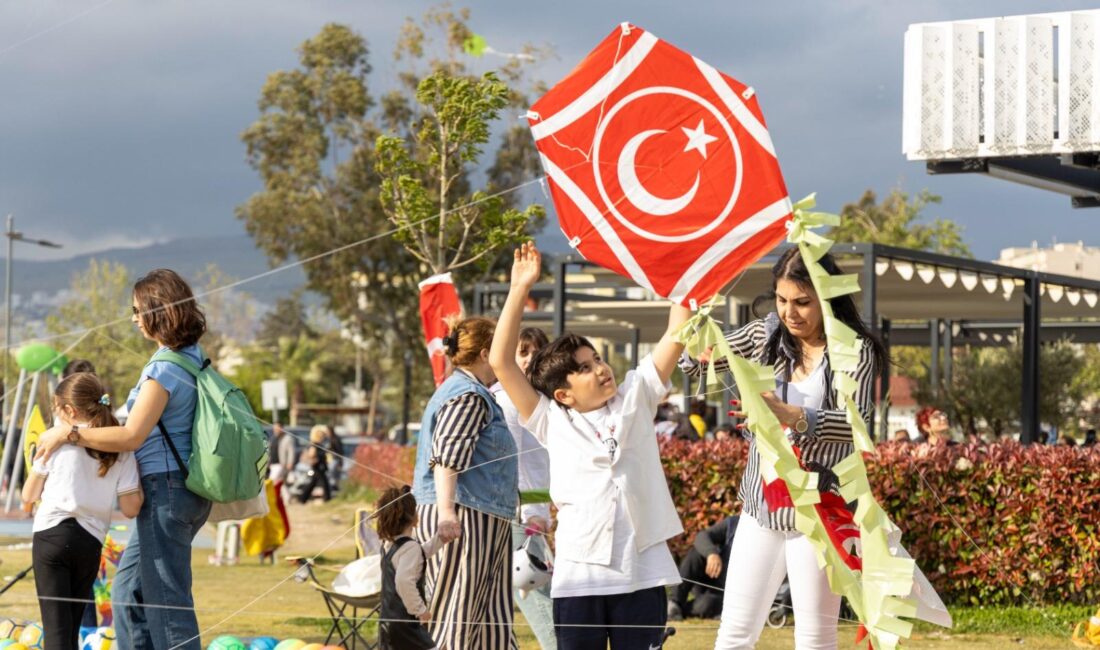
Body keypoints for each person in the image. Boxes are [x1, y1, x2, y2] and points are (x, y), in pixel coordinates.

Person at [682, 247, 886, 650]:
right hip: (761, 508)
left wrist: (795, 415)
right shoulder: (767, 332)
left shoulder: (854, 350)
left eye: (802, 302)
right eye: (781, 300)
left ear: (826, 298)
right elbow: (694, 366)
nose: (790, 312)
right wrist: (698, 344)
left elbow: (856, 425)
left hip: (820, 512)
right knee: (734, 634)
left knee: (815, 639)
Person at [490, 242, 689, 650]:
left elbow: (676, 331)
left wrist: (685, 270)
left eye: (597, 358)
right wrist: (519, 289)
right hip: (579, 579)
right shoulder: (551, 419)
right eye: (584, 368)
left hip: (642, 574)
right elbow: (502, 363)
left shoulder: (636, 394)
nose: (600, 368)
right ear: (563, 394)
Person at [36, 268, 213, 649]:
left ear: (156, 311)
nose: (133, 318)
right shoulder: (192, 358)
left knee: (167, 604)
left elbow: (132, 435)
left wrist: (68, 432)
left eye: (136, 310)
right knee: (128, 593)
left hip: (167, 489)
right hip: (179, 490)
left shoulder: (164, 368)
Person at [411, 316, 518, 650]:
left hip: (482, 517)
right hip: (464, 518)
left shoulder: (472, 392)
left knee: (487, 622)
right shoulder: (468, 395)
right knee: (454, 618)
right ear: (487, 353)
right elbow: (447, 455)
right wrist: (446, 512)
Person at [22, 372, 143, 650]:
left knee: (56, 633)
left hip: (51, 537)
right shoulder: (120, 448)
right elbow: (130, 507)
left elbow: (29, 496)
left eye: (56, 408)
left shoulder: (55, 441)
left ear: (69, 410)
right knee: (72, 629)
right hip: (90, 542)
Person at [491, 326, 556, 650]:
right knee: (527, 595)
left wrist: (537, 512)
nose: (530, 358)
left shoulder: (539, 399)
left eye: (536, 350)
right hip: (512, 513)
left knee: (531, 593)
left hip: (523, 513)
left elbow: (535, 467)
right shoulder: (504, 398)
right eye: (523, 351)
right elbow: (512, 465)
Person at [376, 485, 447, 650]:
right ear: (412, 516)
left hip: (387, 621)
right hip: (405, 622)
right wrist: (420, 609)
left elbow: (417, 556)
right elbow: (403, 581)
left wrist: (440, 539)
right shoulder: (410, 548)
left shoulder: (389, 544)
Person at [669, 516, 739, 621]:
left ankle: (677, 612)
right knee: (696, 554)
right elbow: (702, 536)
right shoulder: (734, 523)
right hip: (709, 575)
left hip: (723, 595)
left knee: (707, 604)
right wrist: (711, 554)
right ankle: (674, 602)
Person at [293, 425, 332, 503]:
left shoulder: (320, 445)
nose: (323, 437)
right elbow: (311, 455)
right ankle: (327, 498)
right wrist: (316, 459)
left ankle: (302, 498)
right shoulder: (315, 445)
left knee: (312, 483)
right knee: (324, 483)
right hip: (318, 467)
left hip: (321, 467)